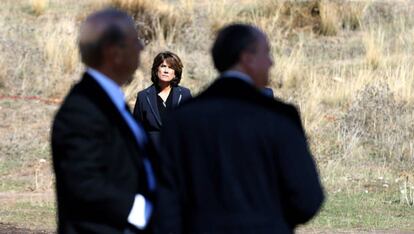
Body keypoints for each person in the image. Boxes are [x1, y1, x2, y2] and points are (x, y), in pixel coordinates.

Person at [154, 24, 325, 234]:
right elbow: (307, 199)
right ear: (247, 57)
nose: (271, 62)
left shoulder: (181, 118)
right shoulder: (279, 116)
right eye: (267, 53)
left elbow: (166, 201)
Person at [51, 9, 155, 234]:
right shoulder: (81, 110)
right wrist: (146, 213)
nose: (141, 47)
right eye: (135, 40)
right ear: (113, 52)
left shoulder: (109, 102)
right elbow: (83, 183)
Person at [133, 51, 191, 148]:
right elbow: (137, 130)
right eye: (163, 66)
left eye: (171, 67)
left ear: (175, 73)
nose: (166, 71)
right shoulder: (143, 96)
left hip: (177, 154)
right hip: (152, 155)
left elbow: (191, 127)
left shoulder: (185, 94)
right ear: (156, 70)